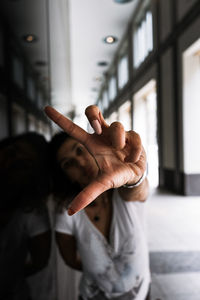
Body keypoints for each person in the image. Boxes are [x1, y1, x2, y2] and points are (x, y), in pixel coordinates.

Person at [46, 105, 151, 300]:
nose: (81, 163)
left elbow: (138, 192)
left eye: (80, 150)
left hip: (142, 293)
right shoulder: (68, 211)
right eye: (68, 164)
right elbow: (70, 259)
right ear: (65, 176)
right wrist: (99, 270)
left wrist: (135, 176)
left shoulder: (123, 193)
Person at [0, 132, 51, 300]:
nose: (12, 162)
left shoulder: (31, 211)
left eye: (24, 164)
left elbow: (40, 260)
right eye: (12, 152)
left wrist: (9, 276)